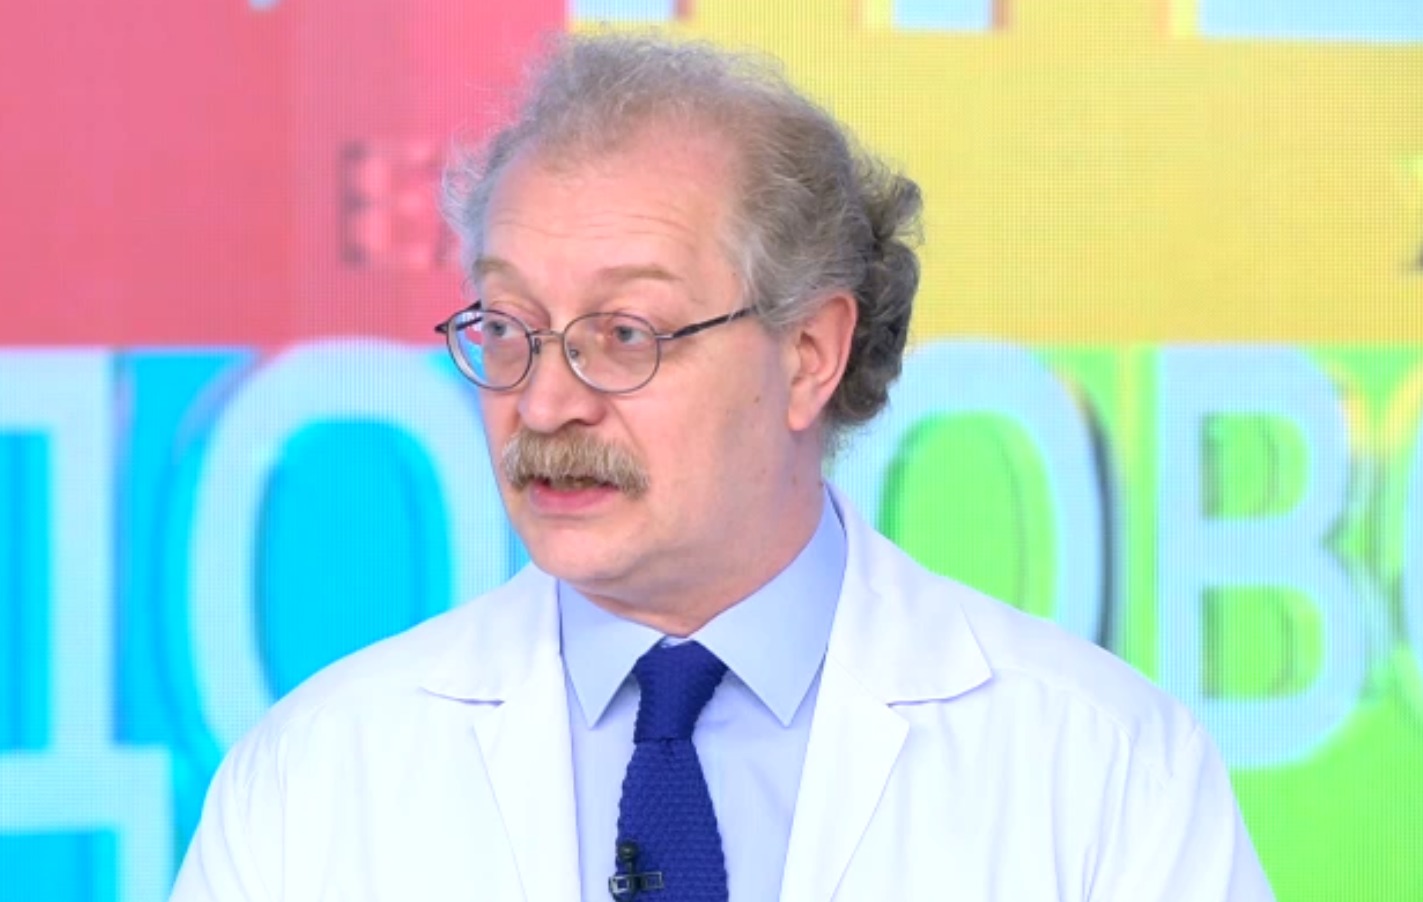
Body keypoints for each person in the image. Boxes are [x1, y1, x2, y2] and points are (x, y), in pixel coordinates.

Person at [171, 33, 1274, 902]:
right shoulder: (312, 777)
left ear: (809, 353)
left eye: (624, 334)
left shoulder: (1106, 769)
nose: (544, 403)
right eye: (507, 326)